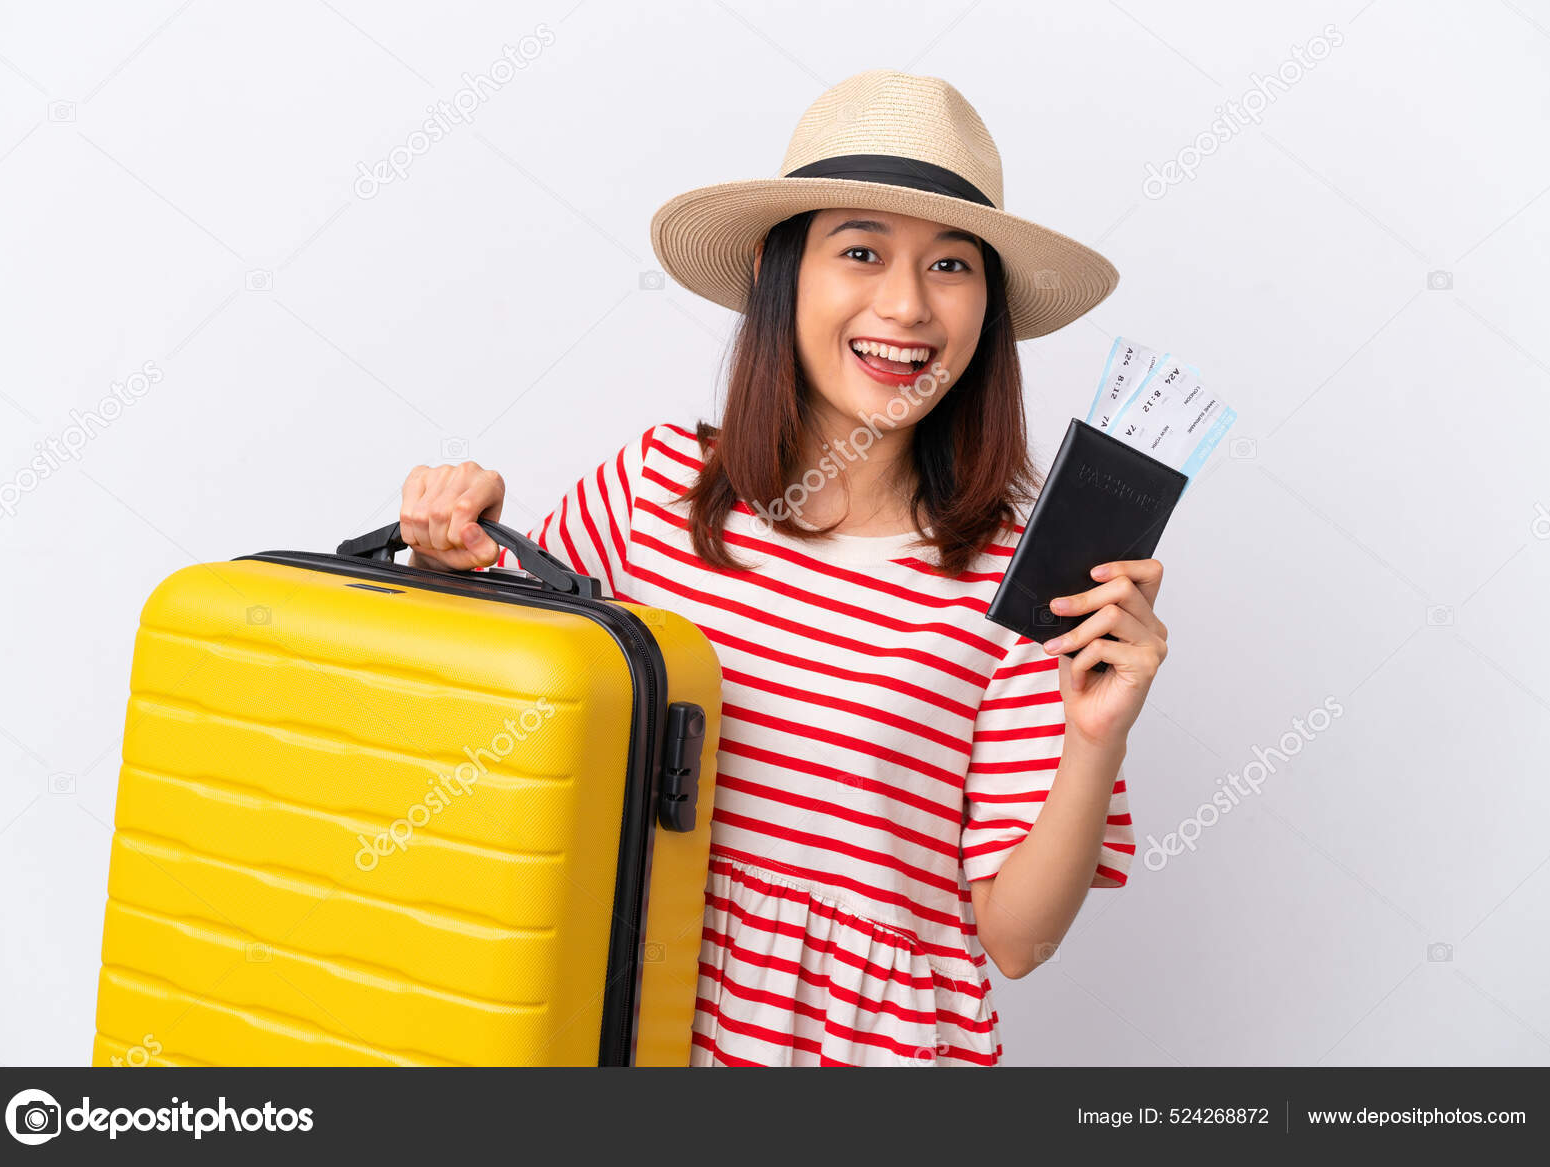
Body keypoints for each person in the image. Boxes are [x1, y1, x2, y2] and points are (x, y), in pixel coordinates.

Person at [395, 70, 1168, 1066]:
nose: (905, 305)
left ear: (986, 304)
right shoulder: (653, 486)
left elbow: (1017, 942)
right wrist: (450, 549)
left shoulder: (1021, 582)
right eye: (860, 251)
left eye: (950, 267)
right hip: (609, 1031)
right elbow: (494, 748)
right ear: (779, 268)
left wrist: (1095, 736)